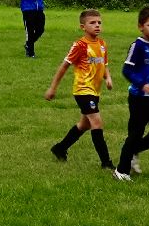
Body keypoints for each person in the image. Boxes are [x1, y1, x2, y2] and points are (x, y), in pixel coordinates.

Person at [45, 9, 115, 169]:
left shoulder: (102, 44)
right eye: (92, 23)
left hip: (95, 91)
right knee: (97, 123)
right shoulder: (80, 45)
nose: (97, 25)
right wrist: (52, 88)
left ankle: (60, 148)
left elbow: (104, 64)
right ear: (83, 27)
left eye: (99, 22)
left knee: (84, 125)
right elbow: (64, 67)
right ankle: (106, 163)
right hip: (83, 90)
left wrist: (108, 78)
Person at [113, 9, 149, 181]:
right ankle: (121, 171)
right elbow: (127, 70)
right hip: (138, 98)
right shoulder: (137, 46)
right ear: (141, 27)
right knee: (135, 133)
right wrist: (142, 84)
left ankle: (135, 150)